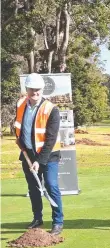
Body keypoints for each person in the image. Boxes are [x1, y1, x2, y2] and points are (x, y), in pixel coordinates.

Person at [14, 73, 64, 235]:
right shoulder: (21, 105)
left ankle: (58, 222)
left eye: (38, 89)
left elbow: (50, 138)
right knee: (34, 188)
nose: (35, 92)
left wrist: (40, 160)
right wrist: (20, 141)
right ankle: (37, 219)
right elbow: (18, 125)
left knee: (51, 186)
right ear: (26, 89)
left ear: (42, 89)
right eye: (32, 89)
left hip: (49, 155)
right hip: (28, 154)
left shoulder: (51, 109)